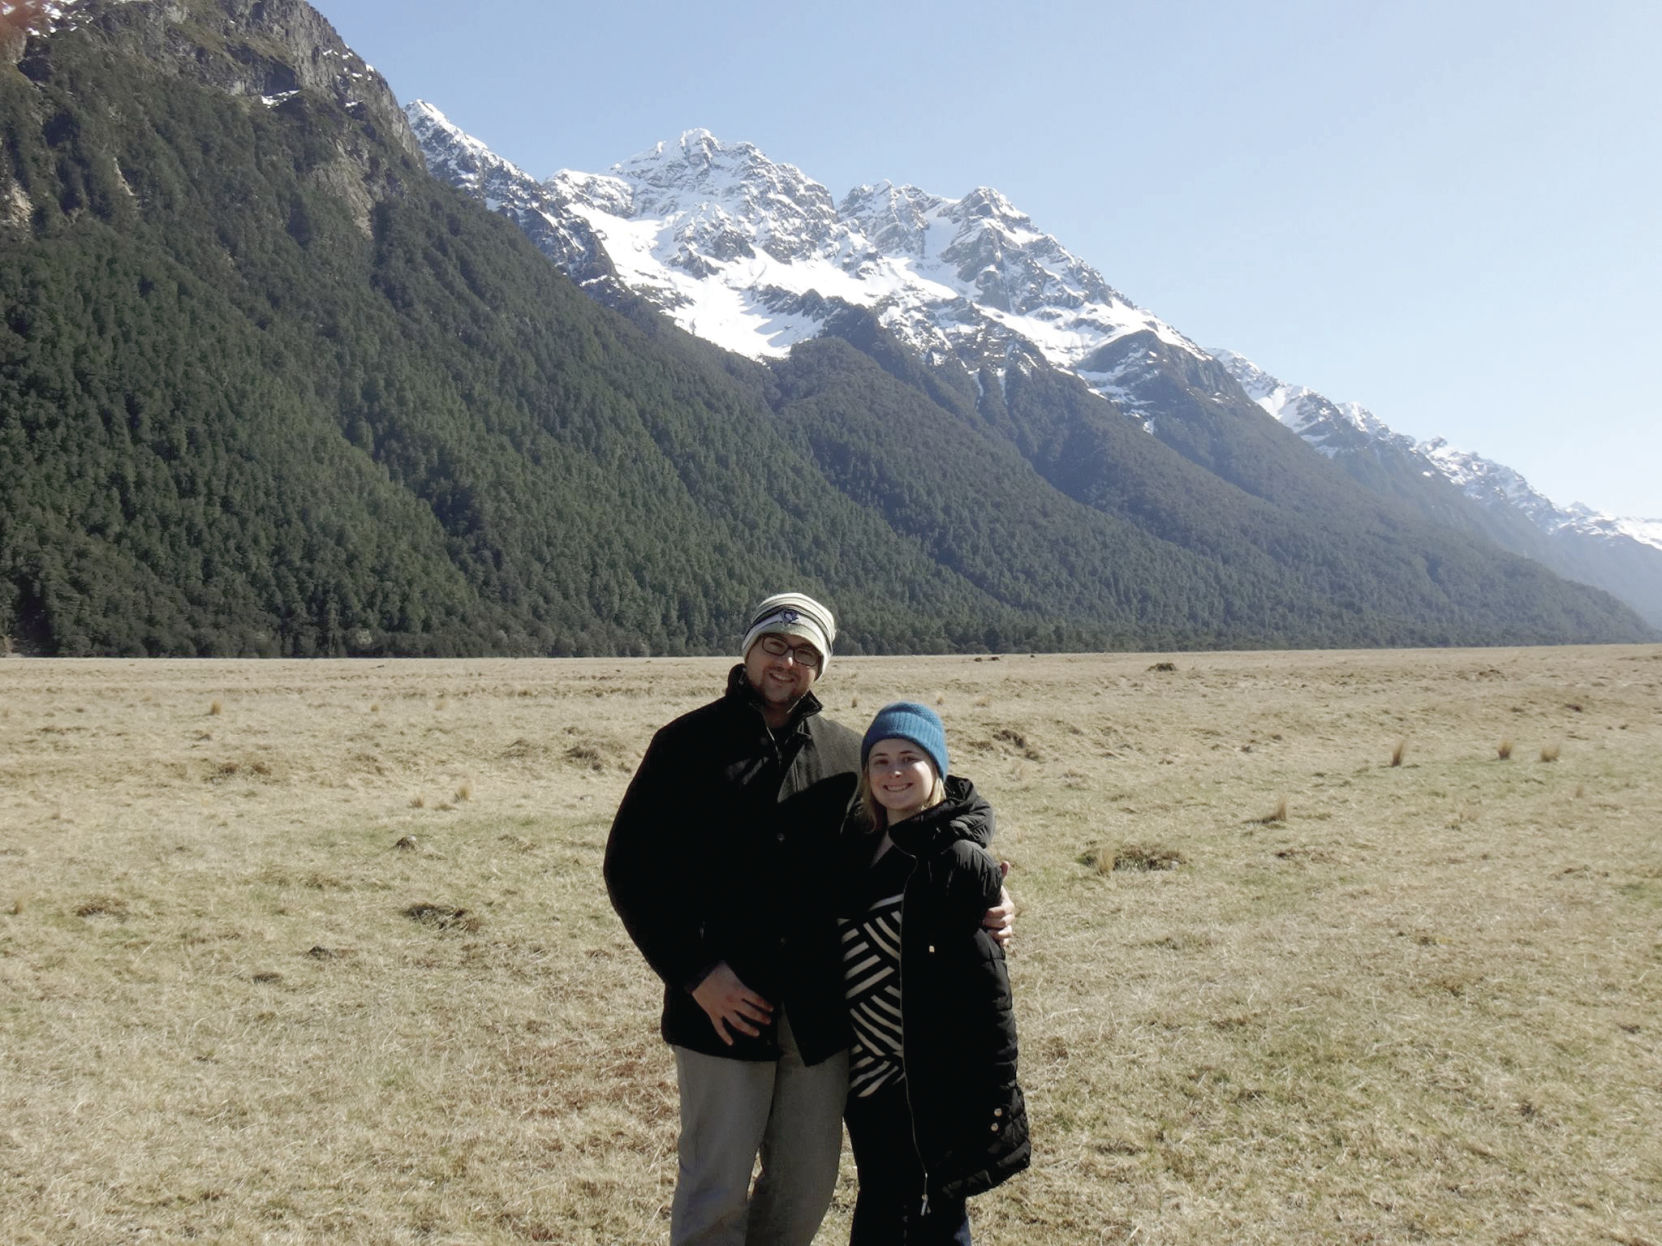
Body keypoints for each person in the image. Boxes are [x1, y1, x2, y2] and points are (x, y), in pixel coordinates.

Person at [605, 594, 1014, 1246]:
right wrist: (697, 972)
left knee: (805, 1188)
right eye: (776, 645)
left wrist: (980, 892)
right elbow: (630, 870)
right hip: (720, 1011)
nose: (787, 661)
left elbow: (906, 847)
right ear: (749, 651)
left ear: (819, 667)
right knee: (715, 1190)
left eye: (805, 653)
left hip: (823, 1017)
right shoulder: (685, 746)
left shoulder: (846, 755)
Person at [838, 702, 1029, 1245]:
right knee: (885, 1196)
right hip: (867, 1070)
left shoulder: (954, 856)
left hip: (924, 1071)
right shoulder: (860, 841)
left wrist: (988, 1081)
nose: (893, 773)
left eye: (909, 759)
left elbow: (986, 990)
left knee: (932, 1210)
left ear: (937, 769)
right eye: (880, 760)